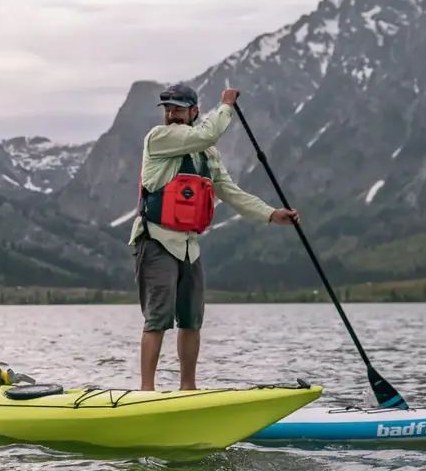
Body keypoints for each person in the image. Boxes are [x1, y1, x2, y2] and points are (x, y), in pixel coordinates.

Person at [128, 84, 300, 391]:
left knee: (192, 320)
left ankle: (188, 389)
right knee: (157, 319)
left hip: (189, 247)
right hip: (155, 241)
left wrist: (271, 214)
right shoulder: (158, 138)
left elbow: (230, 192)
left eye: (178, 109)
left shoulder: (207, 155)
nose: (171, 115)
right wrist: (226, 107)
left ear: (194, 112)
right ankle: (146, 392)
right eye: (168, 109)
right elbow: (205, 133)